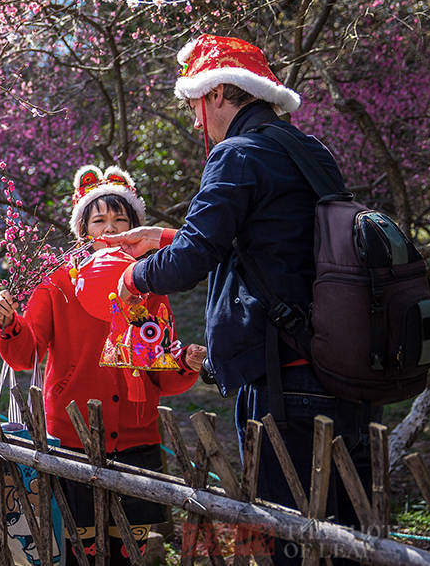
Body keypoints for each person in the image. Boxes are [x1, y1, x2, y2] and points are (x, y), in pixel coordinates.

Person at [105, 33, 371, 566]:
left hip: (281, 377)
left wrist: (133, 278)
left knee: (287, 538)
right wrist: (163, 237)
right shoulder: (308, 149)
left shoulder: (236, 153)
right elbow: (268, 244)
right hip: (336, 365)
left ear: (220, 92)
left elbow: (193, 261)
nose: (196, 120)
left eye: (196, 105)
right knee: (344, 538)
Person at [0, 165, 204, 565]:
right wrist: (9, 324)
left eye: (121, 221)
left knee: (128, 548)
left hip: (136, 434)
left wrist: (186, 363)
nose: (109, 230)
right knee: (77, 547)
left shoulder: (150, 284)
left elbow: (158, 370)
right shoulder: (57, 281)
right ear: (82, 229)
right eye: (99, 221)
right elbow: (25, 355)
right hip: (73, 435)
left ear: (135, 231)